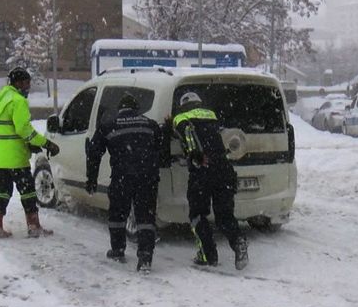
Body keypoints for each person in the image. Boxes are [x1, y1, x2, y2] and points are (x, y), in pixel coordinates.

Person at [85, 92, 163, 273]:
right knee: (146, 217)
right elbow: (161, 148)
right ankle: (145, 257)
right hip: (147, 177)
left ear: (120, 109)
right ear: (137, 109)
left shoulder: (108, 125)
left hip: (122, 177)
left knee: (118, 214)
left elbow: (94, 154)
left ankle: (118, 250)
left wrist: (92, 179)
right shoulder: (150, 124)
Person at [171, 91, 248, 270]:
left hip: (203, 171)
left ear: (183, 104)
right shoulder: (211, 115)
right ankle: (238, 241)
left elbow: (188, 133)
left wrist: (194, 154)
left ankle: (207, 255)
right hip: (224, 168)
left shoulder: (180, 117)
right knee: (224, 215)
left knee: (198, 214)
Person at [0, 67, 60, 239]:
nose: (28, 87)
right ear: (18, 83)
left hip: (1, 155)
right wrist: (46, 143)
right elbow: (23, 129)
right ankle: (34, 226)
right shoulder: (18, 100)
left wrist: (28, 144)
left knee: (3, 190)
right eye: (26, 83)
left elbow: (8, 128)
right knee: (27, 191)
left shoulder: (2, 98)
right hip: (16, 157)